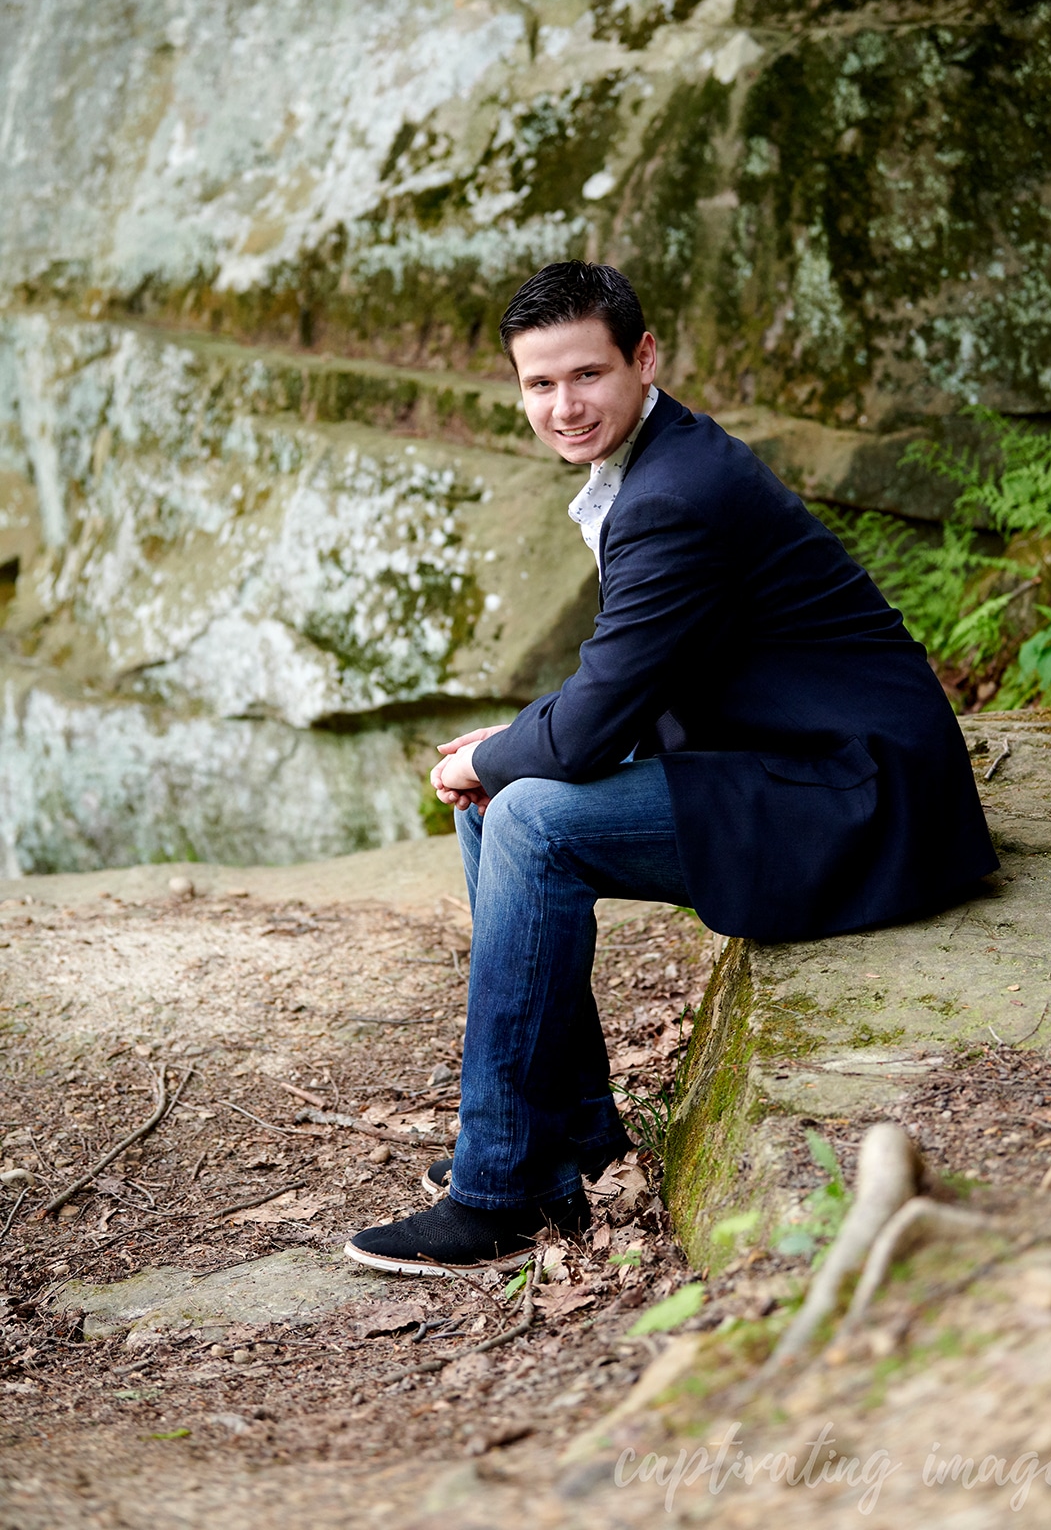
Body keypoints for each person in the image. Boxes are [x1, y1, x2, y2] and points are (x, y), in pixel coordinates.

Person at [344, 261, 997, 1276]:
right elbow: (625, 672)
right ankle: (569, 1143)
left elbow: (601, 715)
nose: (564, 406)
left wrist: (496, 755)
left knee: (524, 816)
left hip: (859, 797)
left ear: (644, 359)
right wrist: (502, 754)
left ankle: (499, 1192)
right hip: (793, 757)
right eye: (538, 384)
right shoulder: (654, 464)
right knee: (499, 799)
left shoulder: (674, 496)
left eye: (587, 375)